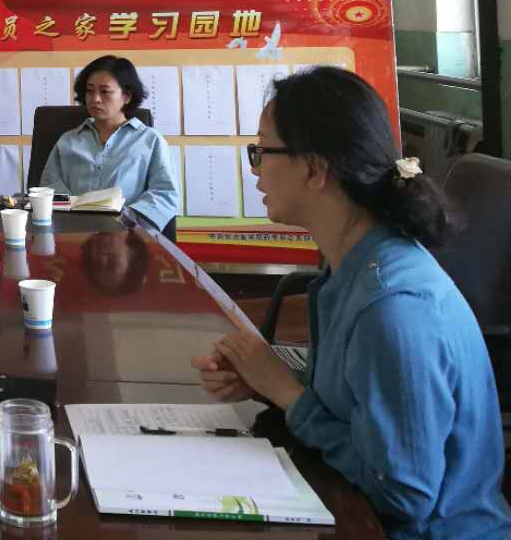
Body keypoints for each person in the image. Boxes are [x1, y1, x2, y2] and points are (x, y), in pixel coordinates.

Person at [193, 66, 511, 538]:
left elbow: (403, 495)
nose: (255, 168)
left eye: (261, 150)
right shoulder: (354, 265)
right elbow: (353, 395)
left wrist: (288, 395)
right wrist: (265, 380)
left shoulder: (393, 307)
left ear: (315, 168)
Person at [41, 55, 179, 231]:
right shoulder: (68, 141)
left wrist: (127, 219)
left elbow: (165, 194)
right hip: (73, 233)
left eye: (105, 92)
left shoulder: (150, 140)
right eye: (89, 91)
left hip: (128, 235)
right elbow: (49, 186)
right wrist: (74, 216)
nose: (95, 99)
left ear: (127, 96)